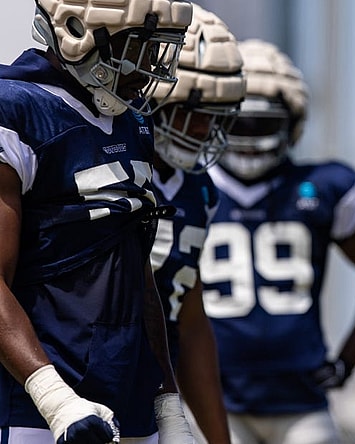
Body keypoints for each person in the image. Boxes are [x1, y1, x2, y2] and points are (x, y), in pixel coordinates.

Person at [0, 0, 196, 443]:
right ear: (76, 32)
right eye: (139, 50)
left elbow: (135, 268)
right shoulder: (14, 109)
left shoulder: (131, 124)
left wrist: (166, 397)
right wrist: (53, 396)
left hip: (129, 396)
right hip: (38, 405)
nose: (148, 70)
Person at [199, 39, 355, 444]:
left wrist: (346, 362)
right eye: (237, 122)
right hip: (211, 396)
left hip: (301, 401)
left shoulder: (323, 187)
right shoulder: (190, 187)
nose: (250, 135)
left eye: (263, 123)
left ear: (291, 124)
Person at [149, 4, 246, 444]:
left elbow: (188, 314)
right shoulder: (113, 156)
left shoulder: (200, 189)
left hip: (151, 384)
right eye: (195, 110)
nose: (205, 128)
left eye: (216, 114)